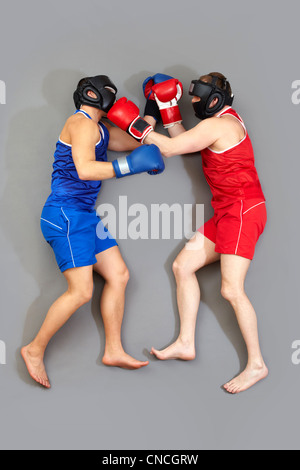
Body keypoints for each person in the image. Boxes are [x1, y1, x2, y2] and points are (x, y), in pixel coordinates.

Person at [106, 72, 268, 394]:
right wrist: (168, 111)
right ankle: (186, 342)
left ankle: (257, 365)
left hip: (242, 211)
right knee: (183, 267)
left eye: (196, 97)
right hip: (227, 211)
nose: (192, 102)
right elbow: (186, 144)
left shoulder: (218, 125)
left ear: (214, 97)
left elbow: (167, 148)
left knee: (231, 290)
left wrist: (134, 124)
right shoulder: (221, 121)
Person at [21, 75, 165, 388]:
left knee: (119, 275)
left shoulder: (99, 129)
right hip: (65, 214)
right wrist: (129, 166)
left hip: (84, 215)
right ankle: (34, 349)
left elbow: (135, 142)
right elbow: (85, 169)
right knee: (82, 291)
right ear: (94, 94)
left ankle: (113, 350)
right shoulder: (81, 122)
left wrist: (154, 107)